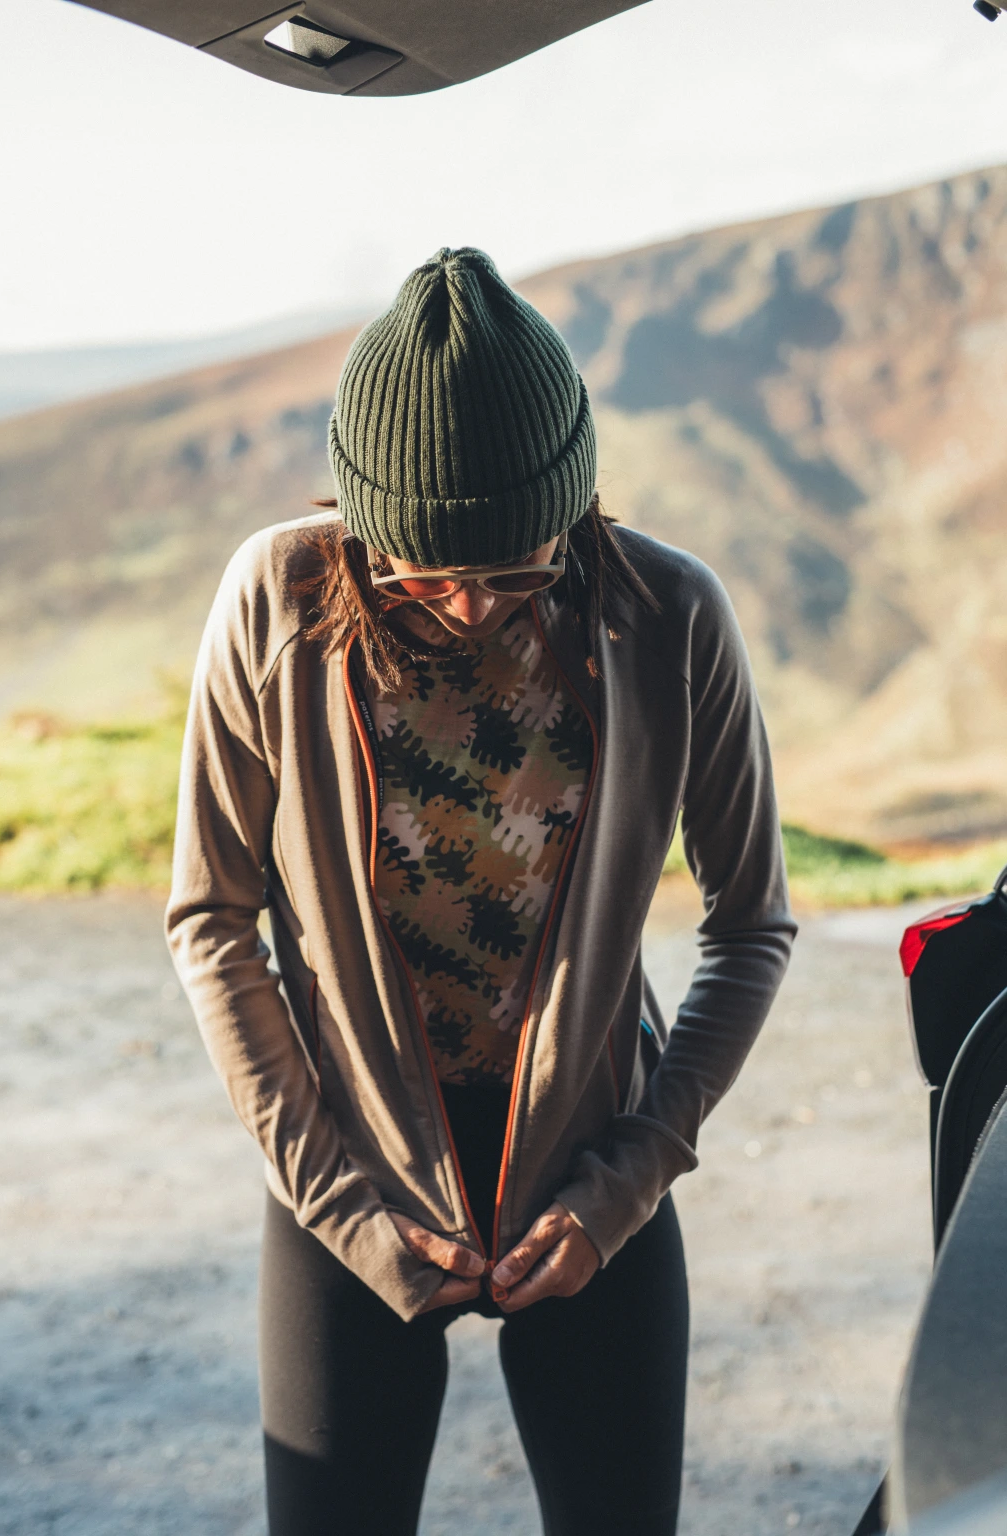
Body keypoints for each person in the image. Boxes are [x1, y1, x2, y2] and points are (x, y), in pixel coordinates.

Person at [166, 246, 796, 1536]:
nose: (465, 605)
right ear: (362, 520)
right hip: (348, 1186)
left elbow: (751, 927)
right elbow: (212, 923)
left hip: (592, 1191)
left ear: (576, 504)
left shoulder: (670, 614)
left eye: (515, 568)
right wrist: (340, 1203)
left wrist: (628, 1183)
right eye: (420, 574)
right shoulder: (277, 599)